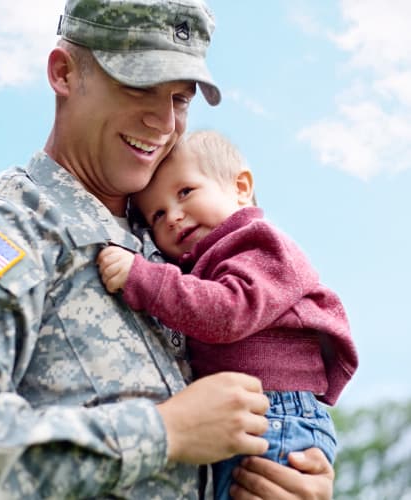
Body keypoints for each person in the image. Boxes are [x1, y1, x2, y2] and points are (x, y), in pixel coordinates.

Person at [0, 0, 335, 498]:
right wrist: (164, 432)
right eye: (139, 85)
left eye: (180, 98)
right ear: (64, 73)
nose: (162, 121)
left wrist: (290, 475)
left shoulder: (179, 245)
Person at [98, 130, 359, 498]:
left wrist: (142, 278)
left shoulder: (258, 243)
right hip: (245, 414)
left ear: (241, 187)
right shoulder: (200, 262)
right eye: (156, 214)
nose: (172, 216)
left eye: (185, 192)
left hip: (275, 413)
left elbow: (228, 312)